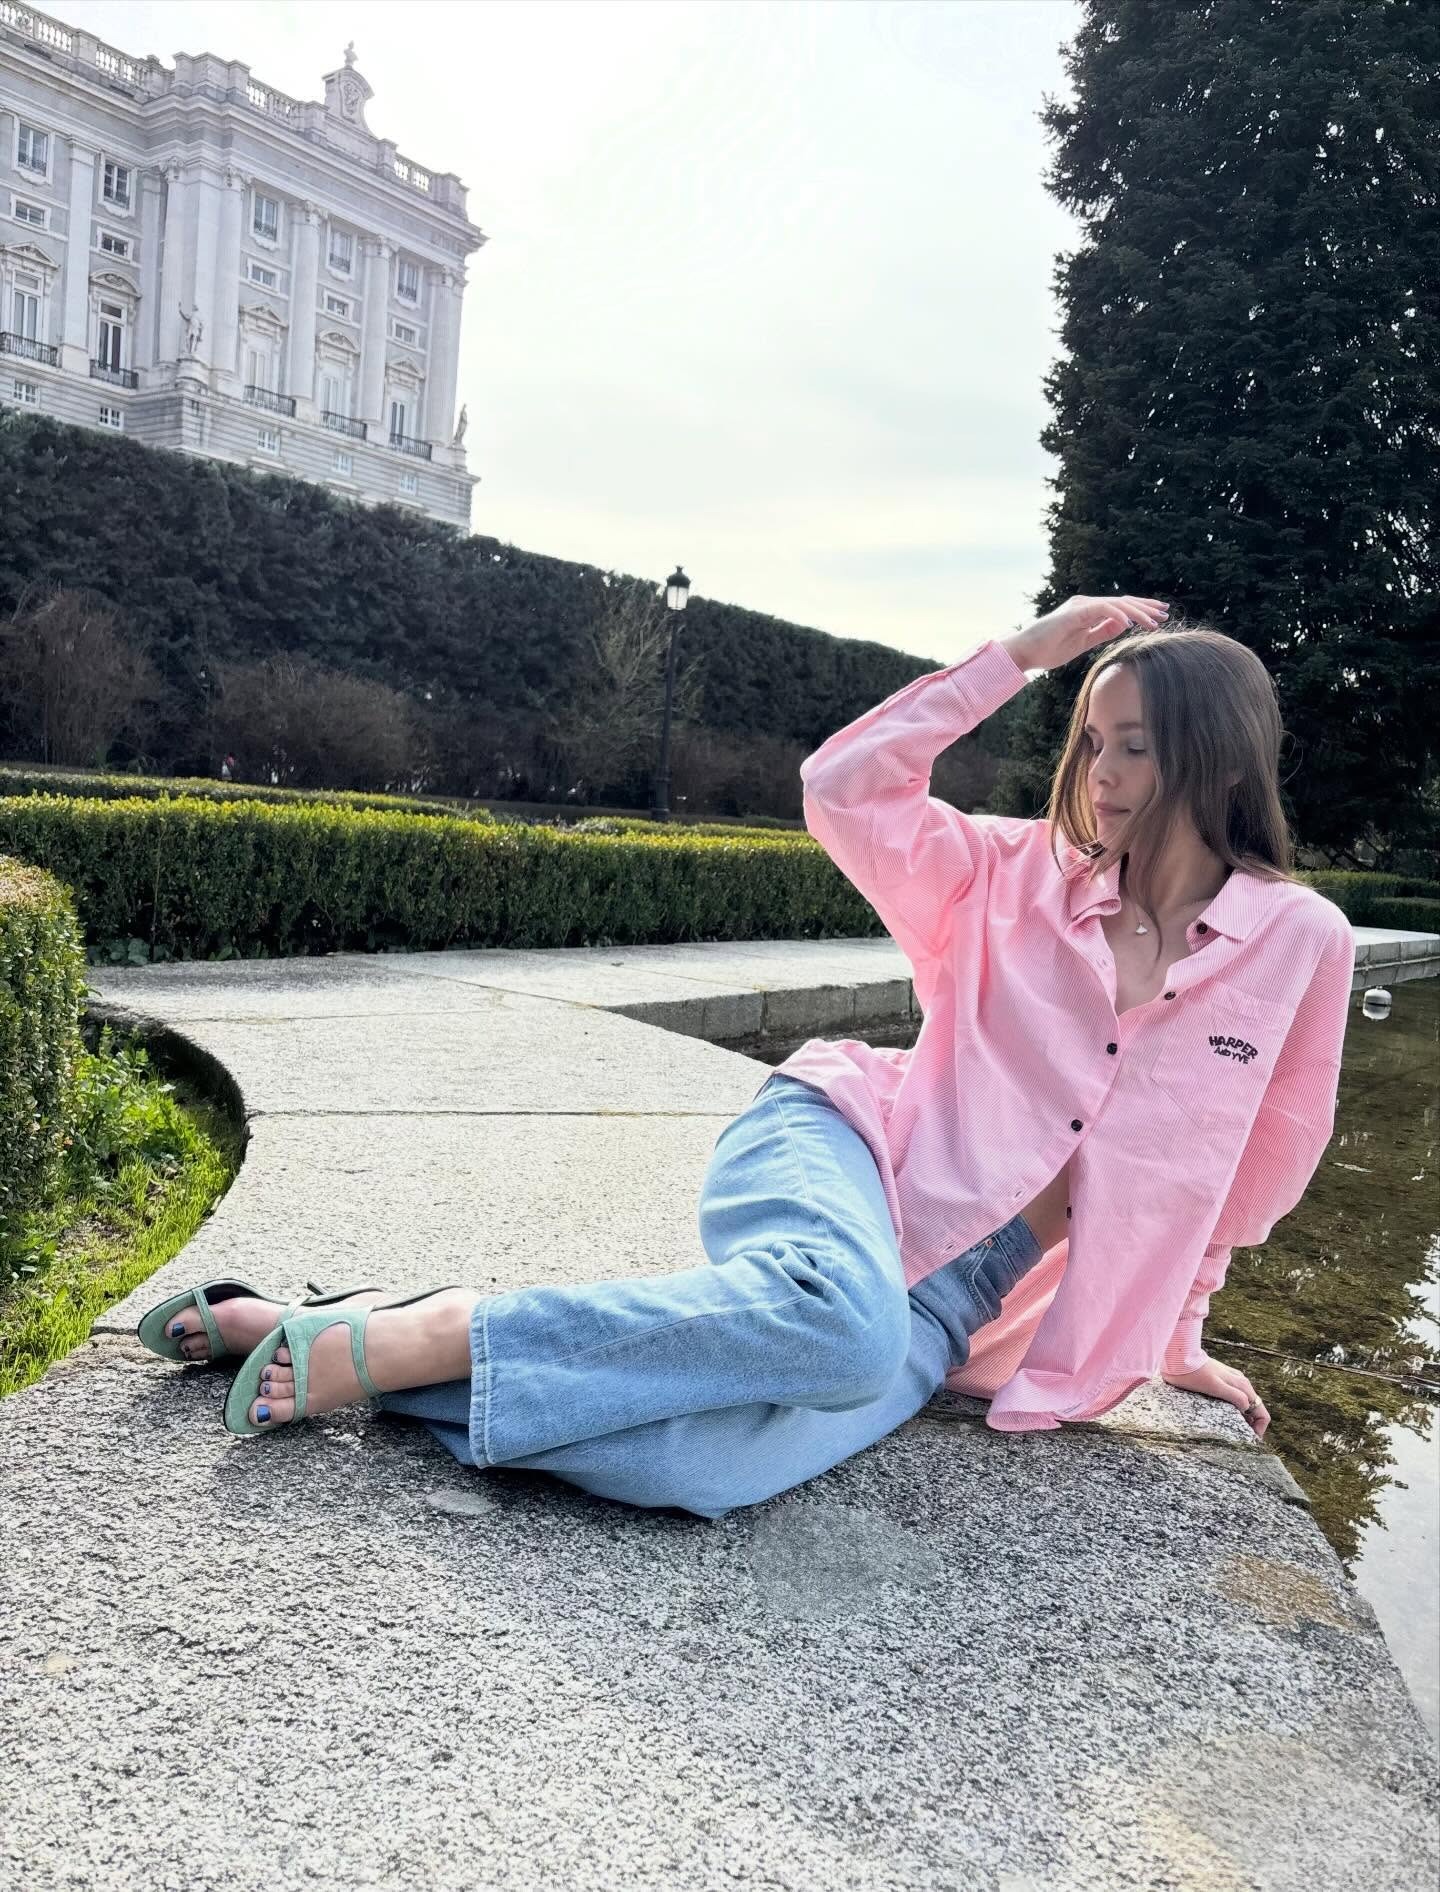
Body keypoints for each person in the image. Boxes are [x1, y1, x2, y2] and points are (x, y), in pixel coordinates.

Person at [139, 593, 1355, 1518]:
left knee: (706, 1464)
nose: (1100, 774)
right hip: (846, 1149)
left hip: (960, 1295)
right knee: (843, 1324)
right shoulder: (1008, 873)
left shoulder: (1299, 942)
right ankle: (425, 1333)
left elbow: (1246, 1170)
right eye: (1091, 741)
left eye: (1132, 746)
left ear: (1224, 759)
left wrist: (1176, 1331)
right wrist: (1023, 658)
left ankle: (334, 1325)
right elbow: (844, 784)